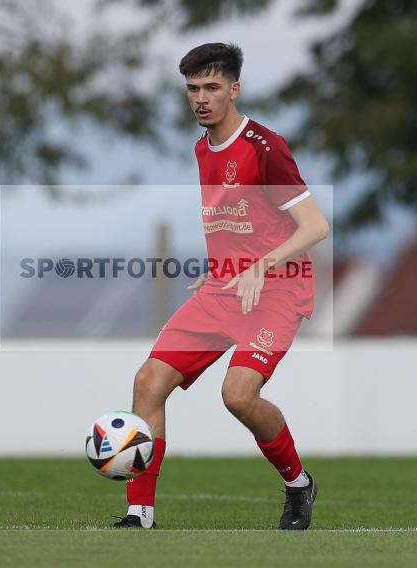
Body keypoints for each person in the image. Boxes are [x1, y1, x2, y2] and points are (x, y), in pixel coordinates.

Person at [112, 43, 330, 530]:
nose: (201, 98)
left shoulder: (265, 148)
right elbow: (241, 221)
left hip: (278, 290)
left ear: (235, 89)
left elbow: (315, 225)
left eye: (212, 87)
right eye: (193, 88)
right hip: (224, 290)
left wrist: (259, 267)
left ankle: (298, 484)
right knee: (148, 382)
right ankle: (139, 514)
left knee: (237, 395)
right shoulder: (201, 148)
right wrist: (227, 268)